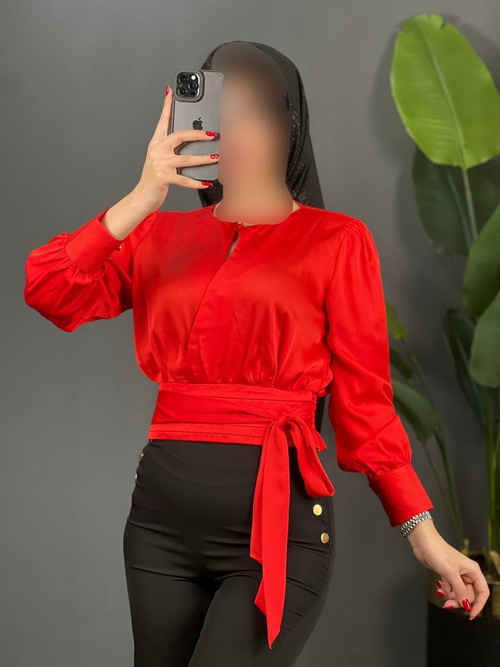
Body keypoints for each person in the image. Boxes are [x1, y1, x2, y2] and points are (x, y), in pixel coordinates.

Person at [24, 40, 489, 666]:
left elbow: (366, 408)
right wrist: (141, 197)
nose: (236, 131)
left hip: (278, 532)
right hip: (158, 529)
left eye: (256, 113)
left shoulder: (337, 241)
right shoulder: (157, 233)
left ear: (290, 126)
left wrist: (422, 533)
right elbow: (50, 290)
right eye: (222, 111)